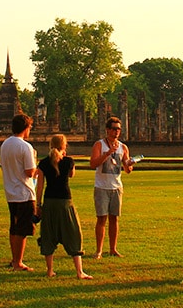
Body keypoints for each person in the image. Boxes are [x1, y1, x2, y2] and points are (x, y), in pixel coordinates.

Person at [35, 134, 93, 279]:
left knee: (48, 234)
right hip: (65, 202)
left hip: (49, 201)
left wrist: (38, 204)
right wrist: (64, 157)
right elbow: (71, 175)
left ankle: (49, 270)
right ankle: (79, 271)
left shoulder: (43, 163)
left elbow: (40, 187)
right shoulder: (68, 161)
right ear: (64, 146)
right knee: (73, 233)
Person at [89, 116, 134, 258]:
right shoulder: (99, 145)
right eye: (114, 129)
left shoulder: (123, 147)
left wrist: (130, 164)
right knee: (101, 219)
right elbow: (93, 164)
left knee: (114, 218)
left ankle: (113, 249)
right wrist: (107, 153)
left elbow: (127, 170)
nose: (116, 132)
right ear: (107, 130)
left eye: (119, 129)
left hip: (116, 186)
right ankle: (99, 250)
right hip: (102, 187)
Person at [0, 113, 37, 271]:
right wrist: (35, 164)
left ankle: (14, 259)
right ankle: (18, 262)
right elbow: (29, 172)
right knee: (22, 228)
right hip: (24, 192)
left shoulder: (5, 144)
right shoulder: (25, 146)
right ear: (26, 128)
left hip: (11, 191)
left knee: (14, 226)